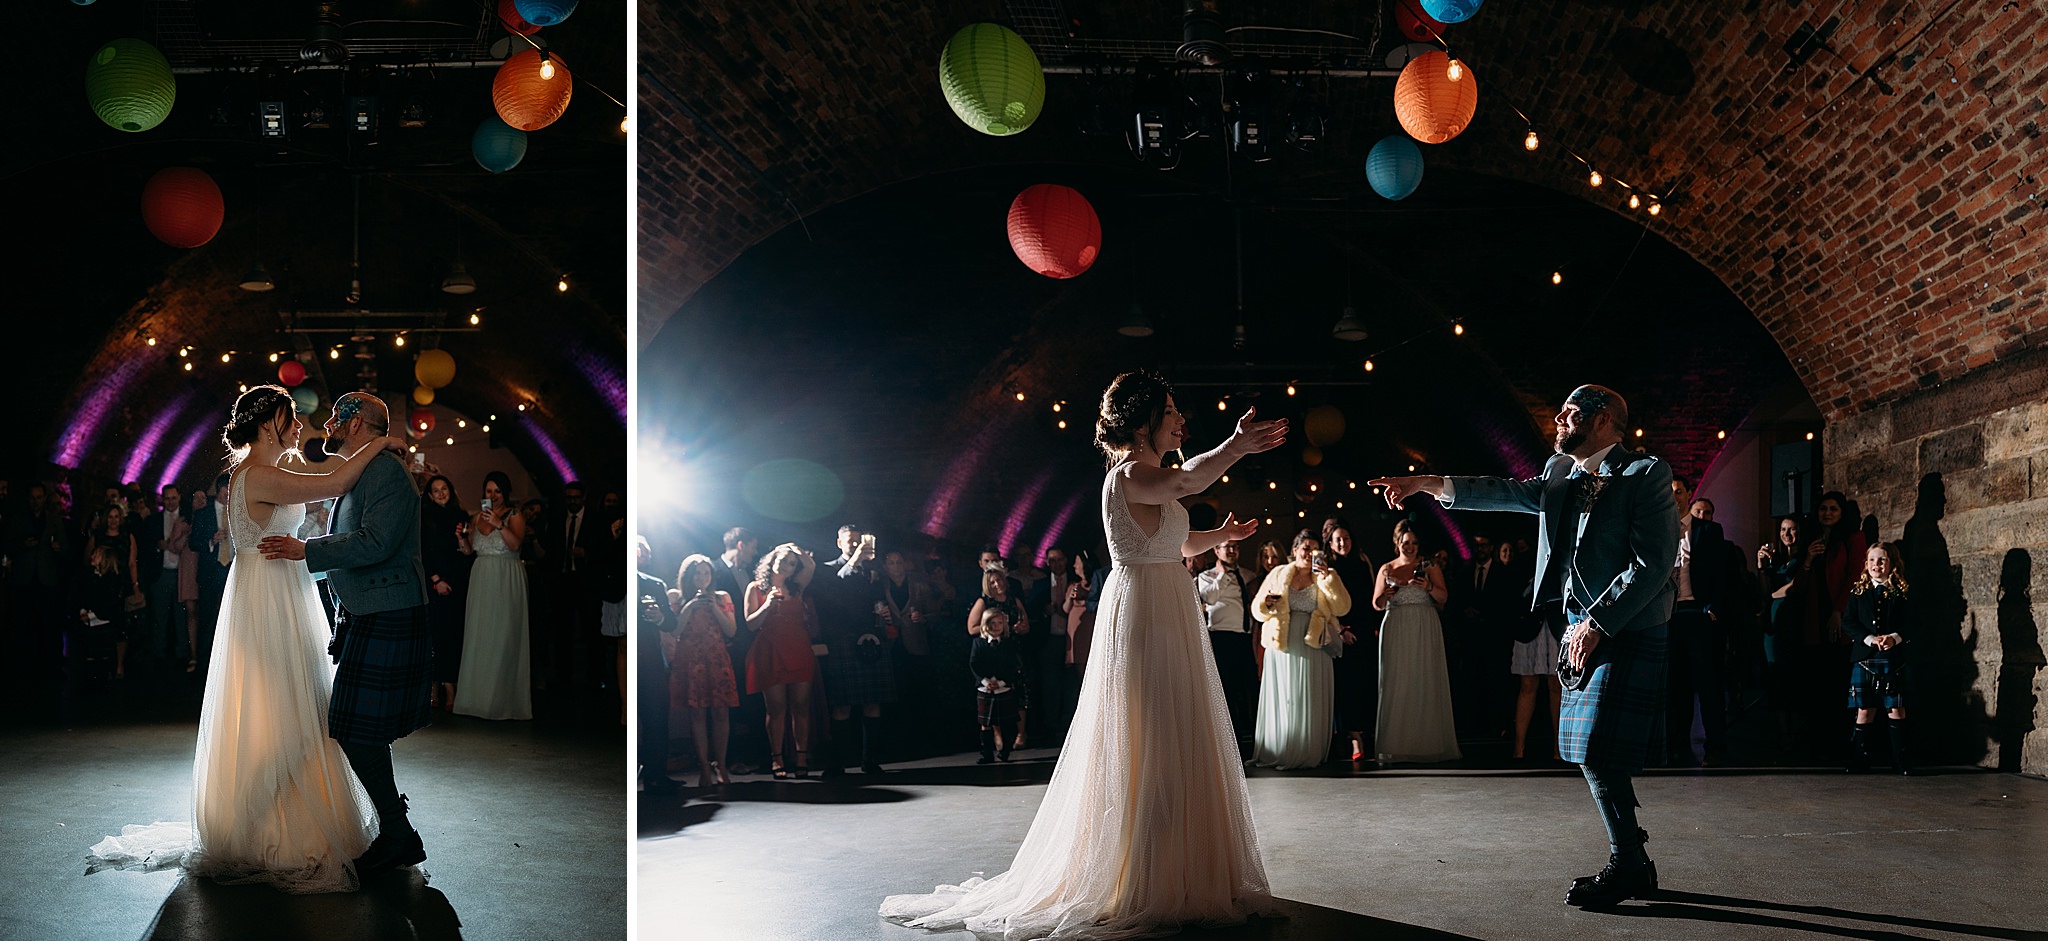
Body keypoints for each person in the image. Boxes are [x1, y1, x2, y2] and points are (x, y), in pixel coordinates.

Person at [882, 368, 1284, 937]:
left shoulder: (1156, 478)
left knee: (1179, 728)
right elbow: (1186, 484)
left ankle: (1182, 870)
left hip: (1170, 601)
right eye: (1170, 412)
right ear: (1142, 420)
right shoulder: (1127, 477)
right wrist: (1237, 445)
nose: (1179, 420)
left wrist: (1221, 538)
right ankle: (1141, 874)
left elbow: (1179, 535)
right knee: (1149, 733)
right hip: (1143, 610)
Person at [88, 385, 409, 892]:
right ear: (269, 426)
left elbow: (327, 474)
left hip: (284, 588)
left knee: (301, 705)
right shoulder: (257, 476)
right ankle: (272, 828)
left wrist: (366, 449)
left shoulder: (275, 470)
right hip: (266, 598)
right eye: (292, 418)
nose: (302, 427)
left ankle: (292, 813)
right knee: (281, 706)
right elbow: (339, 478)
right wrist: (383, 442)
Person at [1370, 383, 1678, 909]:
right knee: (1589, 752)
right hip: (1578, 626)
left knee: (1598, 749)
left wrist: (1597, 622)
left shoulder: (1645, 474)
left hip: (1626, 626)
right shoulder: (1560, 472)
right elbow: (1505, 491)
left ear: (1604, 422)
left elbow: (1652, 563)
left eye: (1571, 412)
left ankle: (1629, 863)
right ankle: (1632, 861)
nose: (1558, 418)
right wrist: (1429, 482)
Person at [258, 389, 434, 877]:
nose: (329, 422)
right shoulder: (362, 470)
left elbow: (376, 543)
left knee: (355, 728)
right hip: (369, 611)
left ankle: (397, 831)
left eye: (338, 415)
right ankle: (398, 831)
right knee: (361, 728)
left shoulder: (385, 472)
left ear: (358, 424)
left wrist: (306, 551)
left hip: (390, 610)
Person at [1249, 529, 1351, 770]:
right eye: (1305, 547)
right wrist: (1267, 604)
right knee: (1285, 697)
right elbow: (1256, 610)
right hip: (1281, 644)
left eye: (1315, 549)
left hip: (1313, 644)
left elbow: (1343, 607)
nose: (1309, 553)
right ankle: (1281, 750)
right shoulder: (1277, 573)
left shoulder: (1326, 576)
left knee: (1308, 696)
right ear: (1294, 550)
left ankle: (1306, 752)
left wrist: (1328, 579)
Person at [1370, 520, 1460, 765]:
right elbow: (1376, 604)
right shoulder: (1386, 568)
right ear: (1397, 542)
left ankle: (1427, 744)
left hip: (1424, 625)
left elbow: (1443, 597)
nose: (1410, 547)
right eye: (1406, 542)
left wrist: (1428, 586)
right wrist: (1385, 596)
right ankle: (1396, 745)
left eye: (1414, 543)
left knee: (1424, 679)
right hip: (1396, 626)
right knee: (1396, 681)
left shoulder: (1428, 565)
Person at [452, 471, 532, 721]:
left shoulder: (514, 515)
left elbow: (515, 545)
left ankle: (502, 703)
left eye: (497, 491)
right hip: (481, 576)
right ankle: (476, 701)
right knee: (480, 635)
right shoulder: (476, 517)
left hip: (506, 576)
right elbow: (468, 552)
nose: (493, 496)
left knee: (504, 635)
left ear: (504, 493)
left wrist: (499, 523)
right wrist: (462, 538)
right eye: (489, 491)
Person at [1667, 475, 1729, 766]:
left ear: (1689, 495)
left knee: (1708, 685)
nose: (1674, 495)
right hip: (1670, 615)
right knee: (1675, 685)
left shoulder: (1708, 530)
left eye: (1679, 491)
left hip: (1699, 612)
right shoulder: (1659, 529)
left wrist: (1713, 607)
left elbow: (1721, 572)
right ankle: (1677, 747)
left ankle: (1715, 748)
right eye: (1669, 491)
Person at [746, 542, 819, 779]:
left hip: (798, 646)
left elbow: (810, 566)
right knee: (776, 708)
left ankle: (801, 757)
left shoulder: (797, 587)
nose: (787, 566)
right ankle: (776, 759)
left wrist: (797, 550)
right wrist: (767, 604)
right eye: (784, 559)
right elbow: (750, 624)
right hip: (770, 649)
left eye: (792, 563)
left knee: (801, 706)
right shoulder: (755, 587)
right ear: (773, 558)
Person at [1844, 542, 1914, 775]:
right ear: (1866, 564)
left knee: (1896, 709)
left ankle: (1900, 759)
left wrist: (1894, 638)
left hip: (1893, 658)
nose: (1877, 564)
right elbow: (1848, 622)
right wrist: (1869, 639)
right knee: (1865, 709)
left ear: (1892, 564)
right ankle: (1859, 759)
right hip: (1865, 657)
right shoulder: (1858, 592)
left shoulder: (1901, 592)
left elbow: (1912, 623)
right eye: (1872, 560)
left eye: (1882, 560)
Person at [670, 553, 739, 788]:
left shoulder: (722, 597)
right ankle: (703, 767)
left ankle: (721, 763)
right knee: (697, 714)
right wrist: (689, 606)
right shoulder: (676, 597)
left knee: (721, 713)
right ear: (687, 576)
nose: (702, 578)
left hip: (716, 659)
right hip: (690, 660)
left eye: (706, 573)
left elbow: (731, 631)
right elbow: (674, 630)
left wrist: (714, 607)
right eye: (697, 574)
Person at [1321, 517, 1378, 761]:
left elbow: (1368, 600)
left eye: (1346, 538)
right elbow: (1324, 603)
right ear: (1330, 544)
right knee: (1341, 687)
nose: (1343, 543)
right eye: (1337, 540)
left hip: (1362, 632)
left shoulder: (1361, 563)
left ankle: (1358, 735)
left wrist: (1366, 629)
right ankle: (1343, 736)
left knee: (1362, 685)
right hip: (1337, 633)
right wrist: (1341, 630)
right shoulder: (1326, 568)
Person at [1499, 540, 1561, 762]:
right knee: (1527, 685)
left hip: (1556, 623)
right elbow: (1512, 594)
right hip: (1528, 624)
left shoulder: (1563, 548)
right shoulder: (1522, 559)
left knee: (1556, 685)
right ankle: (1518, 750)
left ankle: (1558, 750)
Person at [1196, 538, 1259, 757]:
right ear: (1216, 550)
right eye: (1227, 547)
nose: (1232, 550)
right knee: (1228, 691)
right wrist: (1223, 575)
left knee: (1249, 689)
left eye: (1236, 546)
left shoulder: (1249, 575)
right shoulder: (1206, 577)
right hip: (1222, 638)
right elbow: (1209, 597)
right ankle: (1233, 748)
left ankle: (1252, 742)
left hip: (1246, 637)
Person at [419, 474, 470, 711]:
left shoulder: (461, 516)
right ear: (429, 495)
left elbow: (467, 553)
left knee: (454, 634)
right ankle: (433, 686)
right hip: (433, 581)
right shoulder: (424, 517)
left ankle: (451, 686)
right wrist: (436, 579)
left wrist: (462, 539)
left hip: (457, 580)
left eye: (444, 489)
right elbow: (423, 551)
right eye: (436, 490)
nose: (441, 493)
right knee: (435, 634)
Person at [635, 536, 677, 793]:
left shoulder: (655, 585)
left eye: (642, 550)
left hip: (650, 659)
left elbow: (671, 623)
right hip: (626, 652)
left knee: (656, 717)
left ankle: (655, 775)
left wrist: (660, 617)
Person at [83, 503, 141, 680]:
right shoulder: (98, 536)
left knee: (121, 626)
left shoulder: (127, 537)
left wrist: (135, 586)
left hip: (121, 585)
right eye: (111, 517)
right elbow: (87, 559)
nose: (114, 520)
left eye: (117, 517)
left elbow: (132, 563)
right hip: (101, 585)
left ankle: (119, 665)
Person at [969, 607, 1028, 763]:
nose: (996, 626)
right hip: (985, 688)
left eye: (999, 623)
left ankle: (1005, 751)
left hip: (1004, 687)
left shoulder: (1008, 644)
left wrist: (1002, 682)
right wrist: (986, 681)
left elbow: (1012, 666)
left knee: (1007, 722)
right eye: (992, 623)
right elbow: (974, 664)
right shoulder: (978, 643)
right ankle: (987, 753)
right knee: (985, 723)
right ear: (985, 624)